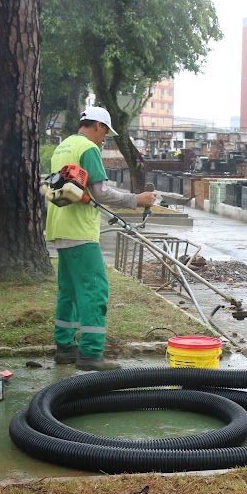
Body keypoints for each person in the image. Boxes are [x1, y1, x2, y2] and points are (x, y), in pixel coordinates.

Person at [45, 106, 156, 371]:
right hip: (80, 232)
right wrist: (135, 200)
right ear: (98, 126)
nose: (104, 139)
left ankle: (65, 348)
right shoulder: (88, 149)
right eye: (105, 132)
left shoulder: (63, 147)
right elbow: (101, 192)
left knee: (69, 291)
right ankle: (91, 354)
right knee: (95, 290)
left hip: (59, 228)